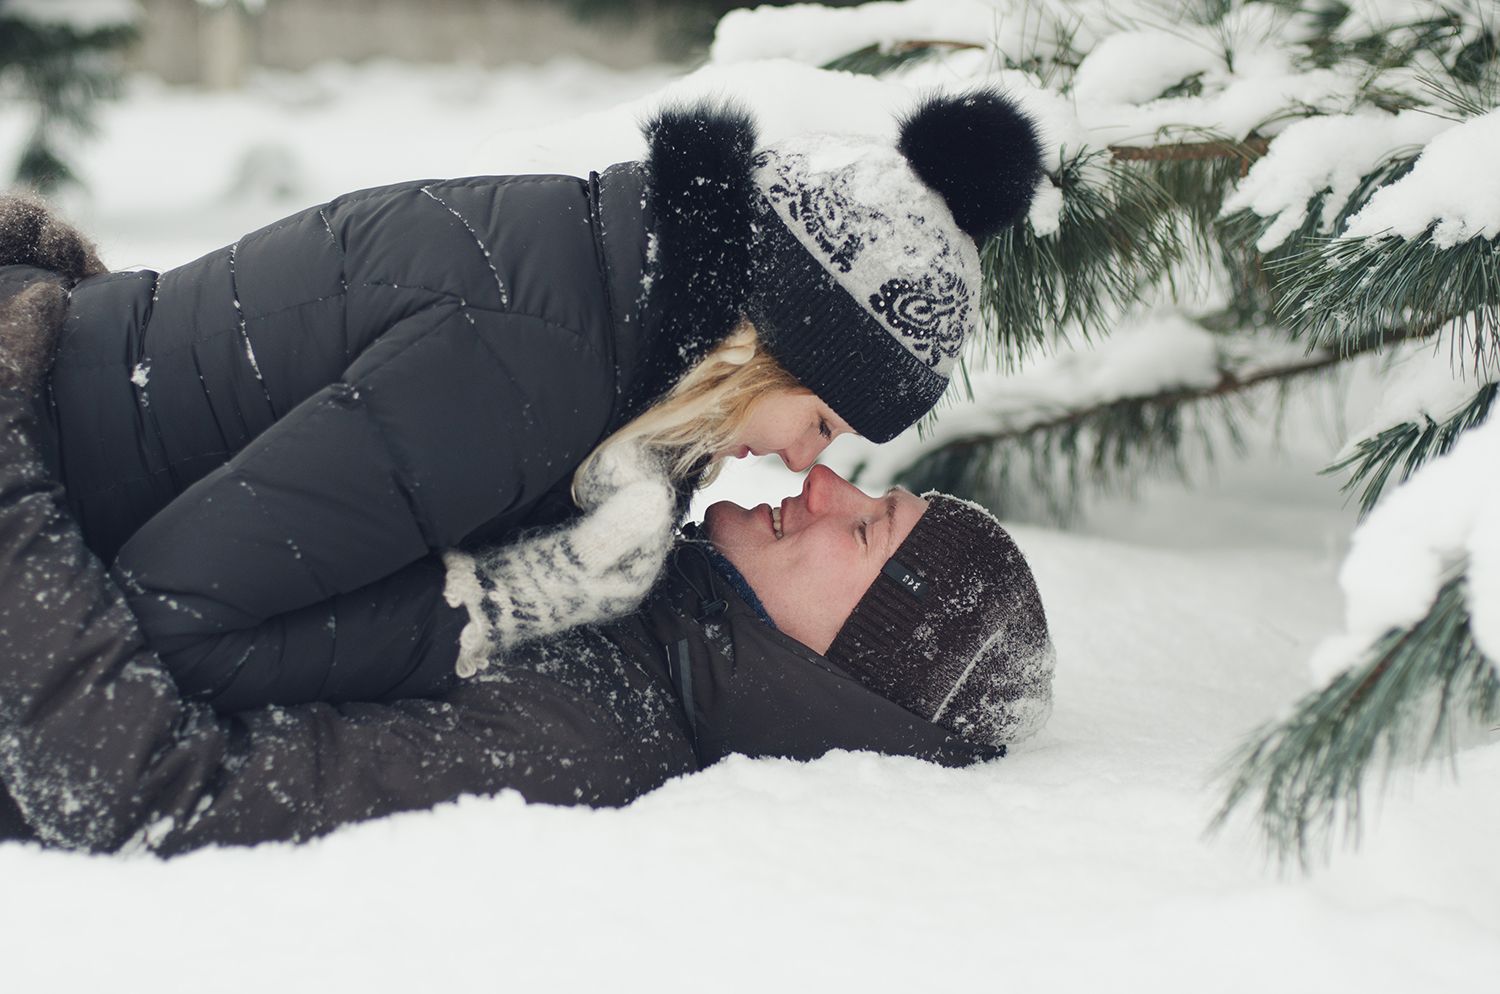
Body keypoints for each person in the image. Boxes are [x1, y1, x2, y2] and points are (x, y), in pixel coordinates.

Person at [0, 89, 1045, 711]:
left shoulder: (591, 270)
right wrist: (503, 600)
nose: (809, 465)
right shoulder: (525, 373)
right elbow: (174, 617)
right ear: (761, 349)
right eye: (821, 422)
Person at [0, 384, 1056, 856]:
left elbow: (149, 788)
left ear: (850, 673)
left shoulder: (581, 740)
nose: (825, 483)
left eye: (868, 532)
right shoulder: (633, 578)